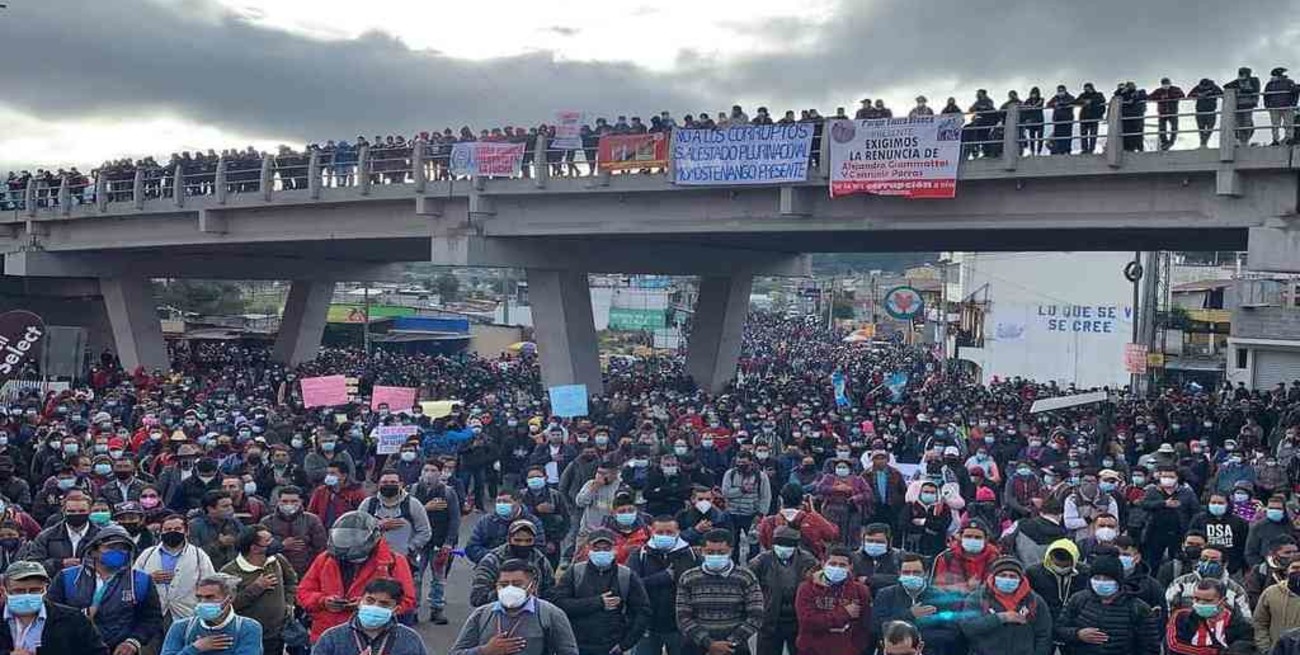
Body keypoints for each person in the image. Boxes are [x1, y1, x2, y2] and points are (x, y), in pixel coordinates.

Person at [297, 511, 417, 641]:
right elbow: (303, 592)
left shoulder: (393, 562)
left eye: (354, 536)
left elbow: (407, 600)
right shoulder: (325, 559)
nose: (348, 541)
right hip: (327, 636)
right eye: (343, 536)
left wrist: (369, 604)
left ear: (374, 537)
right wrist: (324, 601)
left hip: (373, 637)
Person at [48, 525, 163, 655]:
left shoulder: (141, 580)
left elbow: (152, 618)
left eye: (123, 548)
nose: (118, 552)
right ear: (94, 551)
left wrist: (133, 641)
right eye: (111, 547)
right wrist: (80, 616)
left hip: (119, 651)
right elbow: (49, 614)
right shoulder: (67, 577)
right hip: (74, 648)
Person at [449, 558, 579, 655]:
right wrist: (484, 651)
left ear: (532, 587)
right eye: (504, 584)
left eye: (517, 584)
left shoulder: (551, 614)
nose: (510, 589)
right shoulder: (482, 614)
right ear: (497, 586)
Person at [551, 528, 650, 655]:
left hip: (613, 647)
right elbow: (559, 604)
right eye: (596, 549)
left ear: (615, 549)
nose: (601, 552)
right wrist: (598, 602)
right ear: (588, 549)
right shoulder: (575, 572)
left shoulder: (626, 575)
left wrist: (625, 645)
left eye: (606, 548)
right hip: (578, 646)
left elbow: (642, 611)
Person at [675, 529, 765, 655]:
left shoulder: (745, 577)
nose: (715, 556)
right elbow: (683, 617)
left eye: (721, 552)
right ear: (702, 552)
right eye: (710, 552)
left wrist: (729, 643)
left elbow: (756, 615)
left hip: (735, 648)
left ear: (731, 551)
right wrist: (708, 643)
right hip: (696, 646)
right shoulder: (689, 577)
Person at [1055, 554, 1161, 655]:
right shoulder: (1078, 599)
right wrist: (1077, 634)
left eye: (1107, 578)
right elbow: (1059, 629)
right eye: (1097, 578)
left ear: (1118, 580)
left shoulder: (1138, 608)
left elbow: (1150, 647)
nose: (1101, 582)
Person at [219, 525, 298, 655]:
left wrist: (288, 603)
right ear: (254, 548)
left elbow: (291, 581)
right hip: (247, 636)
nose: (273, 543)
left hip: (276, 634)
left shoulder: (277, 560)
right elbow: (227, 605)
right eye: (268, 541)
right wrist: (256, 588)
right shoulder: (230, 572)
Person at [0, 560, 108, 655]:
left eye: (35, 590)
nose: (27, 596)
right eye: (19, 591)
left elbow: (98, 651)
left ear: (45, 589)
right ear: (4, 591)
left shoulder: (73, 620)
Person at [628, 515, 699, 655]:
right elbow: (630, 586)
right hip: (647, 625)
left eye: (669, 532)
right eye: (660, 532)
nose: (665, 536)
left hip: (680, 626)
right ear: (651, 531)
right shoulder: (640, 555)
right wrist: (662, 578)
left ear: (678, 531)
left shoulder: (691, 556)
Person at [957, 556, 1053, 655]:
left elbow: (1044, 634)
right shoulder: (978, 598)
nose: (1007, 579)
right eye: (1003, 575)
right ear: (994, 576)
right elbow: (967, 627)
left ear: (1020, 579)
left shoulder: (1034, 601)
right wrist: (1001, 618)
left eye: (1012, 576)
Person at [873, 552, 963, 655]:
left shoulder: (941, 597)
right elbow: (877, 627)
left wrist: (912, 639)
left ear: (926, 573)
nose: (911, 576)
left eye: (916, 572)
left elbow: (951, 632)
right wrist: (910, 614)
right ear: (899, 573)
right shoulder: (885, 595)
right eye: (906, 572)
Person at [134, 513, 217, 624]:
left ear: (186, 532)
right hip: (153, 616)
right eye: (167, 529)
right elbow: (132, 582)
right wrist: (148, 579)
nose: (172, 532)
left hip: (188, 615)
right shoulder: (147, 554)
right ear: (161, 532)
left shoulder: (199, 555)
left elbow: (210, 584)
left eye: (177, 529)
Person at [749, 526, 819, 655]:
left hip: (798, 622)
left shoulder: (808, 561)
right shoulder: (760, 562)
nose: (783, 548)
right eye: (779, 543)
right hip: (770, 621)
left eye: (788, 544)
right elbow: (750, 589)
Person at [312, 578, 428, 655]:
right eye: (370, 600)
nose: (375, 606)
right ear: (360, 601)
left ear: (395, 610)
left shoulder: (410, 639)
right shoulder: (332, 637)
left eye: (384, 604)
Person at [792, 544, 872, 655]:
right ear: (823, 563)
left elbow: (864, 625)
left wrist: (855, 648)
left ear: (850, 567)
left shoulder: (861, 591)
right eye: (833, 564)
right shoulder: (806, 588)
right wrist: (844, 613)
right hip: (811, 650)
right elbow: (807, 621)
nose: (837, 568)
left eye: (842, 565)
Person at [409, 458, 461, 624]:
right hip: (418, 542)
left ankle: (436, 609)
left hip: (439, 542)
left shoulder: (448, 492)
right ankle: (413, 609)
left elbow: (455, 519)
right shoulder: (413, 490)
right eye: (426, 470)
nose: (428, 474)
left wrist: (449, 543)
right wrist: (425, 508)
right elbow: (407, 515)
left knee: (438, 578)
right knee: (415, 577)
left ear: (440, 473)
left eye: (432, 470)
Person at [158, 574, 262, 655]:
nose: (203, 602)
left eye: (210, 597)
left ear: (230, 598)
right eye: (199, 597)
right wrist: (195, 648)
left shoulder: (247, 627)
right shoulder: (181, 627)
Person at [469, 520, 557, 608]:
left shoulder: (541, 561)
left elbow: (551, 593)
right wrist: (507, 592)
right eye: (517, 540)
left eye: (528, 540)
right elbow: (477, 597)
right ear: (509, 539)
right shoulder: (492, 560)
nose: (523, 544)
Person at [358, 469, 432, 561]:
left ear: (401, 484)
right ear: (378, 484)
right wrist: (378, 526)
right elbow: (358, 530)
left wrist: (409, 548)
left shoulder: (413, 504)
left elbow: (425, 532)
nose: (389, 485)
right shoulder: (368, 504)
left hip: (403, 560)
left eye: (393, 482)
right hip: (372, 559)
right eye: (385, 482)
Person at [1165, 578, 1253, 655]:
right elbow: (1174, 645)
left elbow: (1243, 649)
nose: (1200, 603)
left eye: (1207, 601)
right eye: (1196, 599)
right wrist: (1215, 652)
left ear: (1223, 601)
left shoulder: (1240, 625)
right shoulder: (1181, 617)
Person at [1166, 545, 1252, 619]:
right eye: (1204, 559)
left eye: (1213, 561)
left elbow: (1246, 618)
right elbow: (1167, 609)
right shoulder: (1180, 583)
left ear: (1224, 564)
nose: (1207, 563)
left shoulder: (1236, 590)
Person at [259, 485, 328, 578]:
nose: (289, 504)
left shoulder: (312, 520)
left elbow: (321, 548)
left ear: (301, 502)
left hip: (306, 573)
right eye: (285, 501)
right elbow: (259, 549)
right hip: (276, 573)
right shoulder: (266, 522)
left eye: (294, 501)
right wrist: (281, 546)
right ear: (278, 501)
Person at [22, 493, 97, 577]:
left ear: (90, 511)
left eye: (82, 511)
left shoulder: (100, 536)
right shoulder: (46, 536)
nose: (76, 514)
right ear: (63, 511)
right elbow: (33, 565)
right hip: (55, 585)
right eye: (71, 511)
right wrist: (59, 564)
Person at [466, 490, 544, 564]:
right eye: (498, 502)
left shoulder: (532, 521)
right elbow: (472, 548)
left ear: (518, 502)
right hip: (492, 566)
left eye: (506, 502)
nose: (501, 505)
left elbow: (539, 548)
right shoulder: (486, 521)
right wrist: (495, 558)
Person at [720, 450, 769, 562]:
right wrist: (742, 490)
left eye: (744, 463)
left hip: (751, 515)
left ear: (751, 462)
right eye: (739, 463)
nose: (741, 465)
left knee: (754, 542)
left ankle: (753, 565)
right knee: (732, 542)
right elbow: (725, 492)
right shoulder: (730, 474)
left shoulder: (761, 477)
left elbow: (765, 496)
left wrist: (761, 514)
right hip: (732, 514)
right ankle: (733, 564)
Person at [1025, 538, 1088, 622]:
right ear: (1050, 557)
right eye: (1057, 565)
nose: (1060, 568)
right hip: (1043, 617)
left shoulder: (1084, 573)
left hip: (1074, 619)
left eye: (1065, 566)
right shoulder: (1033, 573)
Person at [1189, 492, 1250, 575]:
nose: (1216, 505)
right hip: (1203, 565)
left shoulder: (1239, 522)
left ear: (1228, 504)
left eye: (1220, 503)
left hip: (1232, 568)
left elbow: (1243, 545)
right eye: (1213, 503)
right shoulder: (1199, 519)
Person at [932, 521, 999, 594]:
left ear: (986, 539)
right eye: (968, 536)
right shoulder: (946, 557)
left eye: (978, 537)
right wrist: (965, 586)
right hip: (952, 601)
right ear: (960, 537)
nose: (973, 540)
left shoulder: (995, 558)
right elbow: (937, 588)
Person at [1252, 556, 1300, 653]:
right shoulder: (1270, 592)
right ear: (1286, 571)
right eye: (1295, 568)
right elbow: (1260, 623)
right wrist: (1266, 649)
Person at [307, 463, 366, 529]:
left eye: (332, 473)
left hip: (345, 531)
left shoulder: (356, 492)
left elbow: (363, 514)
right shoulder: (320, 491)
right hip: (323, 530)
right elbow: (311, 512)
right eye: (328, 473)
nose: (329, 476)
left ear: (343, 476)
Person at [1246, 495, 1293, 568]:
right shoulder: (1258, 526)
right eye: (1271, 508)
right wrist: (1259, 567)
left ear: (1284, 510)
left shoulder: (1291, 526)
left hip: (1289, 566)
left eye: (1278, 508)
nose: (1274, 510)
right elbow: (1250, 552)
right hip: (1265, 567)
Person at [852, 522, 902, 590]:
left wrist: (869, 579)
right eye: (870, 541)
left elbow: (902, 579)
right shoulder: (854, 558)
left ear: (889, 541)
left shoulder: (899, 557)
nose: (874, 544)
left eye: (879, 542)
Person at [1224, 66, 1261, 147]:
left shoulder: (1254, 80)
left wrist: (1240, 90)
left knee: (1247, 123)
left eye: (1242, 73)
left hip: (1248, 104)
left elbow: (1253, 90)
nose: (1241, 75)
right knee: (1238, 123)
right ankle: (1240, 141)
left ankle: (1245, 141)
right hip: (1238, 105)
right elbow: (1226, 86)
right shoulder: (1237, 81)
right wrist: (1237, 87)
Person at [1149, 77, 1186, 150]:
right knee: (1162, 128)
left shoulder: (1175, 89)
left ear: (1170, 83)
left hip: (1173, 112)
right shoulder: (1159, 91)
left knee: (1174, 128)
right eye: (1164, 84)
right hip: (1162, 113)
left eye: (1167, 83)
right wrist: (1160, 97)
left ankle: (1171, 142)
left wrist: (1171, 97)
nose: (1165, 85)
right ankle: (1164, 142)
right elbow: (1150, 97)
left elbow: (1182, 95)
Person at [1264, 67, 1298, 145]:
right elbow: (1266, 95)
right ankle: (1276, 140)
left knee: (1288, 124)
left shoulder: (1289, 82)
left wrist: (1293, 104)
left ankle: (1289, 138)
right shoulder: (1270, 84)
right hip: (1274, 107)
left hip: (1287, 106)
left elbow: (1295, 92)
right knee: (1275, 125)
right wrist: (1267, 105)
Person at [1189, 78, 1224, 148]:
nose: (1202, 88)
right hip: (1200, 111)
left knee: (1210, 128)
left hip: (1211, 111)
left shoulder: (1214, 87)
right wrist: (1198, 95)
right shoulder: (1198, 87)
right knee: (1201, 128)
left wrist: (1210, 93)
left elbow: (1222, 95)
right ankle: (1203, 144)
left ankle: (1204, 142)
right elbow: (1190, 96)